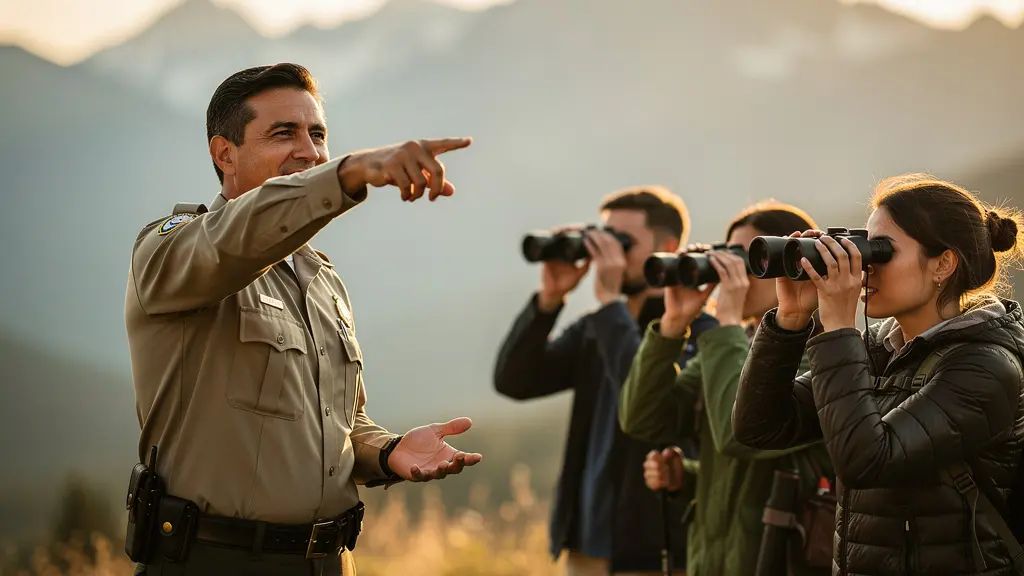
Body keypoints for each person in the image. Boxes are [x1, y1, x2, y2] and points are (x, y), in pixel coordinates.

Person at [124, 63, 482, 576]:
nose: (310, 151)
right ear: (224, 153)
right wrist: (349, 173)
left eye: (318, 134)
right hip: (212, 562)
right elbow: (237, 236)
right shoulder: (172, 248)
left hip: (328, 563)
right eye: (283, 133)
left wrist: (389, 451)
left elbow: (338, 424)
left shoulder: (321, 278)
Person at [731, 174, 1024, 575]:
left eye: (880, 251)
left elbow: (866, 460)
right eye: (862, 245)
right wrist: (791, 319)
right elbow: (760, 427)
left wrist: (837, 326)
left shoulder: (986, 366)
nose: (864, 267)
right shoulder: (877, 350)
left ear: (943, 264)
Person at [493, 187, 715, 575]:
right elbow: (515, 380)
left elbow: (641, 397)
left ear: (667, 246)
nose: (608, 253)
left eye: (623, 242)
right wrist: (549, 298)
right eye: (604, 238)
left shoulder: (693, 329)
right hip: (589, 543)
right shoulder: (597, 329)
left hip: (657, 546)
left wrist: (611, 305)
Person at [618, 200, 834, 576]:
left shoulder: (822, 351)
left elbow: (741, 437)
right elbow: (642, 419)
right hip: (711, 561)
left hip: (778, 561)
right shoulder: (732, 345)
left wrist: (727, 324)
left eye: (753, 258)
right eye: (728, 257)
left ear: (794, 263)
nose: (735, 274)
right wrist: (672, 326)